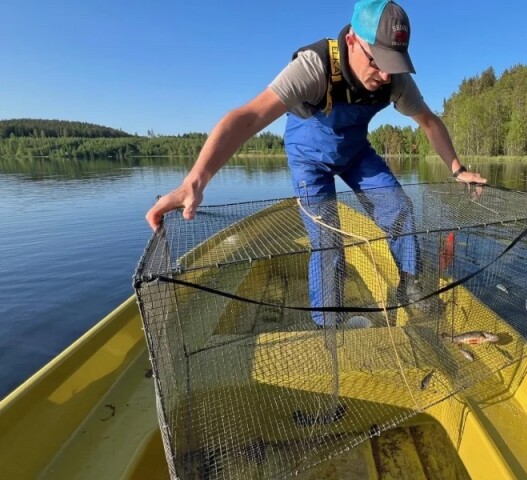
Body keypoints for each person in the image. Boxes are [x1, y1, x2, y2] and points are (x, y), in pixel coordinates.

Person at [146, 0, 486, 327]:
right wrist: (194, 182)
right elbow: (247, 118)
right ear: (352, 40)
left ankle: (410, 285)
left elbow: (428, 121)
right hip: (309, 157)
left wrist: (456, 168)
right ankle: (328, 322)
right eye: (377, 61)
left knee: (398, 206)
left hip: (355, 151)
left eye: (393, 63)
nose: (385, 75)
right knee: (328, 241)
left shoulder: (395, 79)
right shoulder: (314, 66)